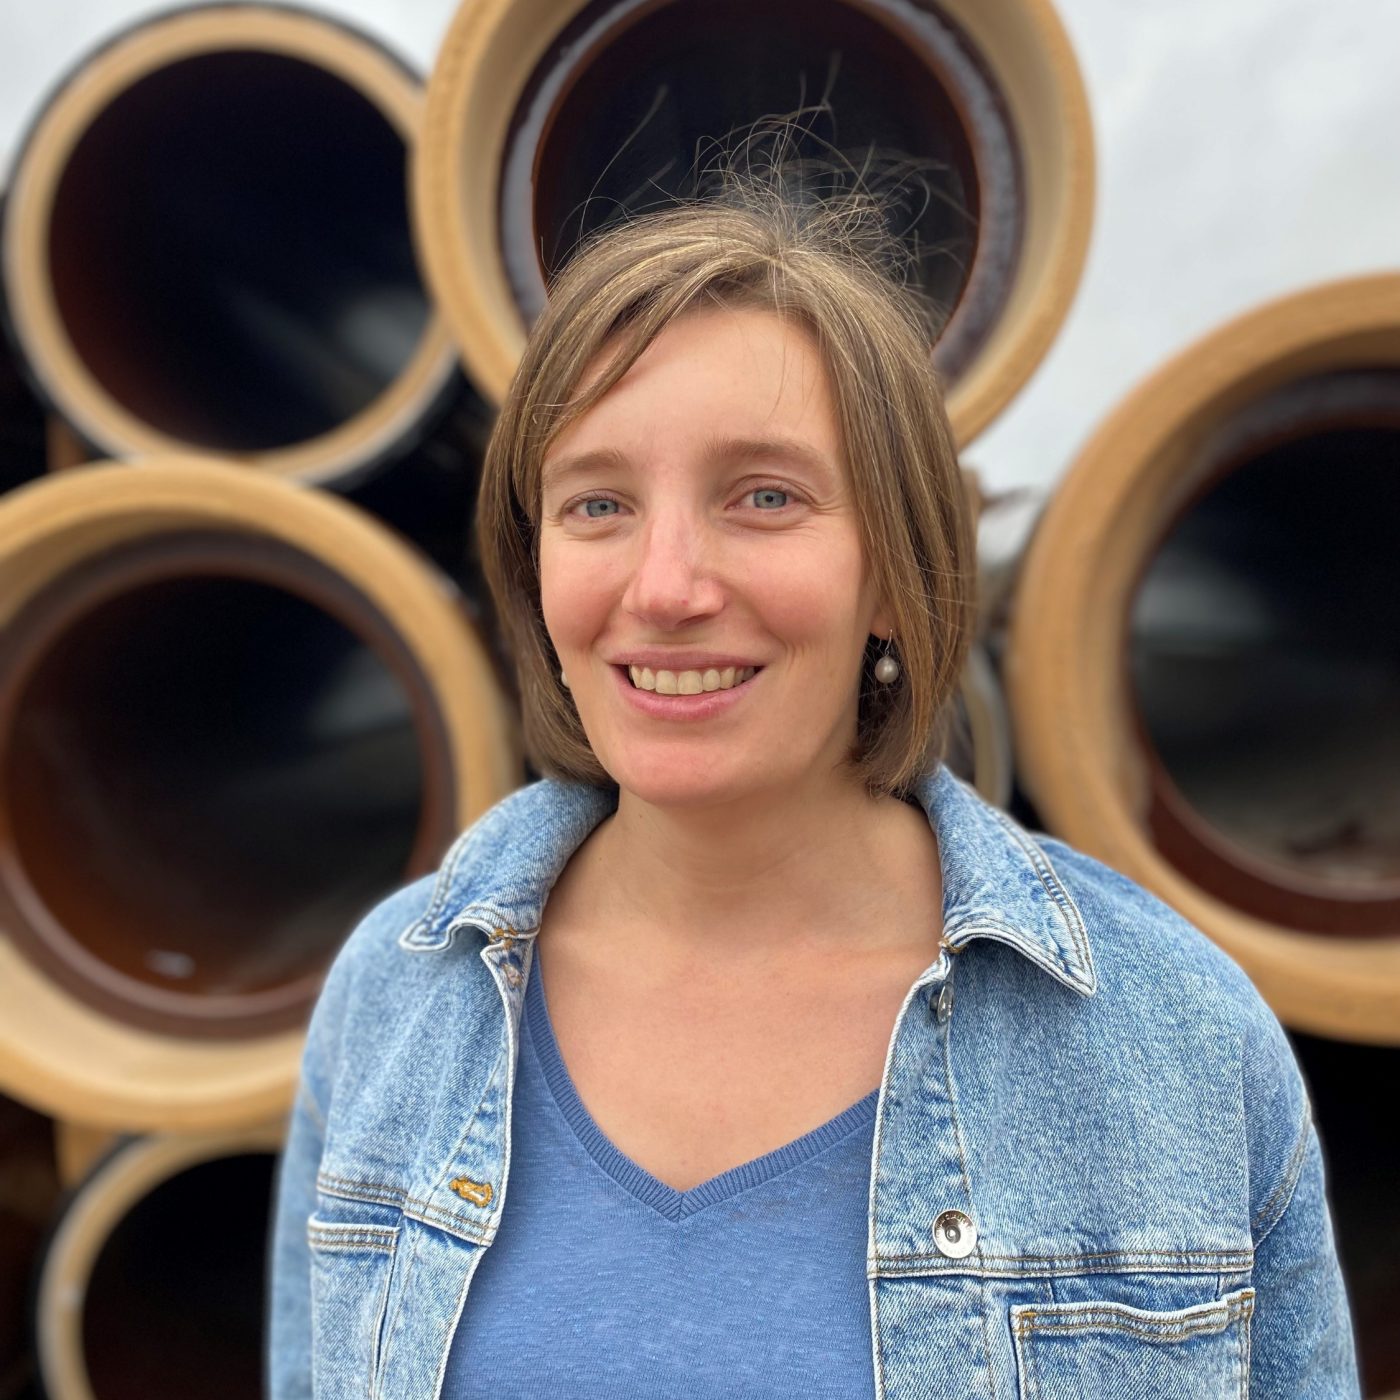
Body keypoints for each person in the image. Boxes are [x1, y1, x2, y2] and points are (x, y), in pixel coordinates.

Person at [266, 171, 1360, 1399]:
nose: (664, 585)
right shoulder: (394, 999)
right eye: (597, 503)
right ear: (535, 571)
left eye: (764, 496)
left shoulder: (1176, 1038)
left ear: (891, 571)